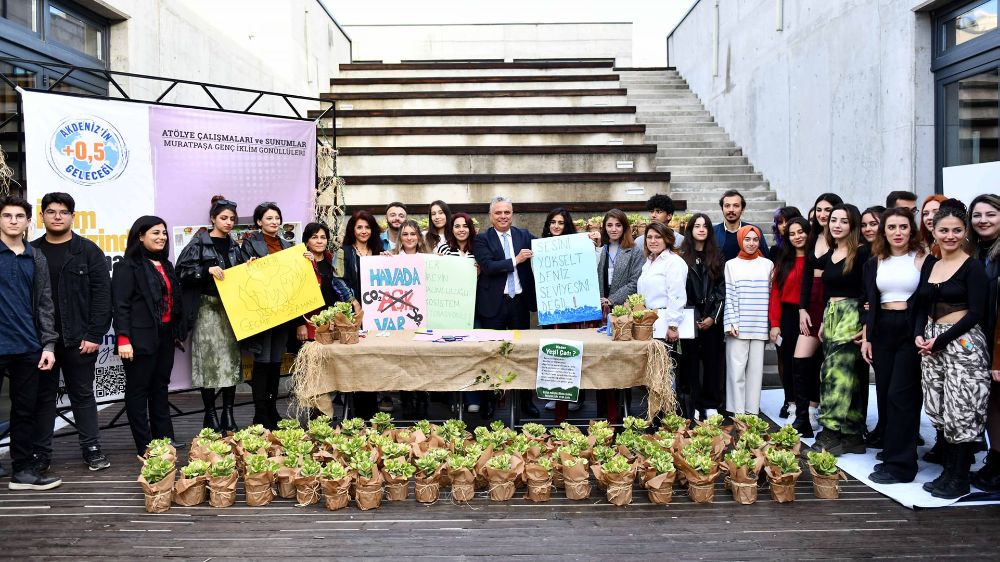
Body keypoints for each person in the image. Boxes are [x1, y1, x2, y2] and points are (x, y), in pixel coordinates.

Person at [913, 199, 991, 498]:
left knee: (963, 408)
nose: (950, 236)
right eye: (944, 230)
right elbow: (921, 304)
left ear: (965, 232)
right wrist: (919, 335)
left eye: (957, 230)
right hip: (931, 344)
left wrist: (941, 340)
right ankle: (948, 472)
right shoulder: (931, 264)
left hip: (963, 344)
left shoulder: (972, 268)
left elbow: (976, 312)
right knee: (937, 406)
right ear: (933, 231)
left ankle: (958, 477)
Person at [30, 192, 112, 472]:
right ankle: (40, 454)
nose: (57, 216)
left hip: (79, 339)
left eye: (63, 212)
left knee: (82, 395)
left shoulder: (88, 251)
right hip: (41, 341)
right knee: (43, 398)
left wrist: (94, 335)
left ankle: (91, 448)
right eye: (51, 211)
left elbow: (103, 295)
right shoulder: (31, 251)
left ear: (72, 216)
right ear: (42, 216)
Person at [112, 215, 187, 456]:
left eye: (164, 233)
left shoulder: (166, 264)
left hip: (165, 336)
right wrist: (123, 339)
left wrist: (175, 332)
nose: (162, 237)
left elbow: (172, 302)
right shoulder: (127, 266)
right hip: (137, 339)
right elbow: (120, 305)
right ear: (140, 236)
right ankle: (145, 446)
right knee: (138, 391)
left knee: (160, 387)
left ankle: (165, 439)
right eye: (155, 233)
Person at [861, 208, 926, 484]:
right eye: (892, 227)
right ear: (883, 231)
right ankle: (892, 453)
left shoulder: (923, 259)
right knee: (886, 393)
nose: (897, 232)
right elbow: (869, 302)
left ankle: (902, 465)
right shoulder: (874, 261)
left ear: (911, 229)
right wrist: (867, 337)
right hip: (882, 329)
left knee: (903, 395)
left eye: (903, 227)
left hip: (910, 329)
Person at [0, 195, 60, 490]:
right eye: (7, 215)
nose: (13, 221)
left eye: (19, 216)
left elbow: (45, 304)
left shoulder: (36, 257)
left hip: (28, 347)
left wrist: (48, 346)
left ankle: (22, 471)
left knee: (24, 411)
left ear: (27, 221)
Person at [175, 196, 245, 432]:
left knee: (231, 363)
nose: (228, 222)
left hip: (232, 309)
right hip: (207, 307)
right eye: (223, 218)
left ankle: (228, 413)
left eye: (232, 219)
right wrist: (205, 270)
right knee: (207, 363)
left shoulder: (235, 245)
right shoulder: (198, 243)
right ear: (213, 218)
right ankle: (210, 414)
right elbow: (181, 272)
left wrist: (251, 265)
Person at [807, 204, 871, 457]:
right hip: (832, 316)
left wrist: (866, 325)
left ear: (852, 225)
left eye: (844, 221)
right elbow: (828, 291)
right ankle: (852, 435)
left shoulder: (863, 253)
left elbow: (869, 292)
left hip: (852, 316)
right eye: (833, 220)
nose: (837, 225)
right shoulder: (832, 252)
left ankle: (831, 434)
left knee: (836, 375)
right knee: (846, 376)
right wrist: (823, 320)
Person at [473, 195, 539, 419]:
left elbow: (549, 246)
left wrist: (585, 239)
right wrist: (516, 260)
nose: (503, 216)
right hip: (494, 305)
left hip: (519, 303)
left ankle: (525, 402)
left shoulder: (524, 235)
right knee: (491, 354)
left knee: (522, 354)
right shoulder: (482, 239)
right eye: (498, 213)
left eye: (507, 212)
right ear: (491, 216)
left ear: (512, 214)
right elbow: (489, 266)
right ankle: (489, 401)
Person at [792, 192, 843, 437]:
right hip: (811, 301)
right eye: (819, 209)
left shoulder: (842, 239)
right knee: (800, 359)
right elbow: (805, 279)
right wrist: (802, 309)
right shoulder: (813, 237)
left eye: (828, 210)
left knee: (827, 362)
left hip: (833, 301)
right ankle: (802, 418)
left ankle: (821, 411)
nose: (823, 214)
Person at [240, 202, 294, 430]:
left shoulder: (288, 245)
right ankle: (260, 414)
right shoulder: (250, 244)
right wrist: (248, 266)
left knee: (275, 362)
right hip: (262, 312)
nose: (274, 222)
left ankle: (272, 411)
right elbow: (242, 276)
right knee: (262, 362)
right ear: (259, 222)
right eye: (269, 218)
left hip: (283, 310)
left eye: (277, 218)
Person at [336, 210, 383, 419]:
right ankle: (356, 413)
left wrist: (389, 261)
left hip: (379, 314)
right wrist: (353, 301)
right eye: (359, 227)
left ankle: (373, 409)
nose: (363, 231)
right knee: (356, 360)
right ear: (353, 230)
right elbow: (337, 279)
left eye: (367, 227)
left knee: (374, 360)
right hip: (355, 315)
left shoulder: (380, 251)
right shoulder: (342, 252)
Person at [678, 213, 726, 420]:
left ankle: (711, 403)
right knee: (690, 363)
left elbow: (722, 290)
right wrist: (694, 317)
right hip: (689, 318)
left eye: (705, 226)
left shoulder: (717, 256)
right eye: (696, 226)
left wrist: (712, 317)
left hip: (712, 319)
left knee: (713, 362)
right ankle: (694, 403)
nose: (701, 229)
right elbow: (680, 290)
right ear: (690, 230)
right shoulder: (681, 257)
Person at [723, 225, 773, 415]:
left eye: (755, 239)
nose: (751, 243)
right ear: (740, 240)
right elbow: (729, 294)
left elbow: (770, 295)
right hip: (738, 326)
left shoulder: (767, 264)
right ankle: (737, 410)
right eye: (747, 239)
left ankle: (752, 410)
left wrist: (770, 324)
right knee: (736, 371)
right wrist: (731, 323)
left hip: (759, 325)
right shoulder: (731, 264)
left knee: (755, 372)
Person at [969, 194, 1000, 492]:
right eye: (977, 215)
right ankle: (995, 460)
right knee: (992, 403)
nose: (983, 220)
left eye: (990, 214)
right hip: (983, 338)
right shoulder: (977, 252)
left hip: (998, 341)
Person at [769, 217, 810, 420]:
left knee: (808, 363)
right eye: (792, 233)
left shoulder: (815, 258)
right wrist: (775, 324)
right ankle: (792, 403)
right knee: (789, 361)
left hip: (810, 314)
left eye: (801, 232)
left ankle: (811, 406)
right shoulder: (784, 261)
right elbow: (775, 293)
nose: (797, 236)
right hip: (787, 315)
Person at [298, 222, 358, 343]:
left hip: (334, 321)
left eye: (323, 237)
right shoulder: (301, 263)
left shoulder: (333, 259)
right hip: (311, 322)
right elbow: (296, 296)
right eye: (314, 237)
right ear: (306, 241)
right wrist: (300, 324)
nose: (319, 241)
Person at [714, 190, 770, 261]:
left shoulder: (753, 231)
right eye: (727, 206)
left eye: (736, 206)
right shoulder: (713, 232)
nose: (731, 209)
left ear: (742, 209)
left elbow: (766, 259)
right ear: (722, 208)